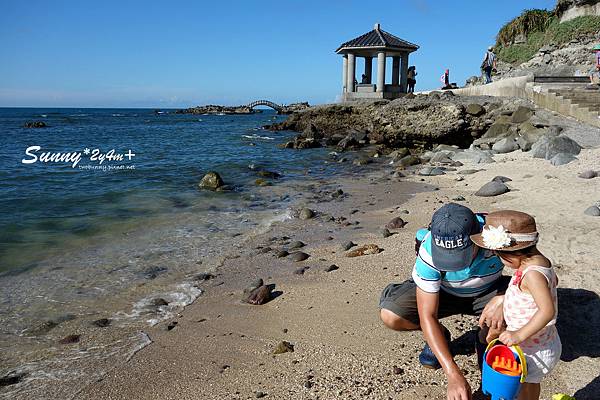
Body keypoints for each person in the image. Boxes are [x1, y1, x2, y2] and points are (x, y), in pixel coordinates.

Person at [379, 203, 507, 400]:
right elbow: (427, 315)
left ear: (477, 239)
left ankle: (483, 340)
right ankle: (440, 336)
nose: (454, 264)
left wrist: (505, 297)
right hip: (444, 293)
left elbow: (543, 272)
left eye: (460, 256)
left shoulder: (498, 235)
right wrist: (452, 373)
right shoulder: (428, 250)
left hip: (488, 292)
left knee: (513, 311)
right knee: (391, 314)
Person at [471, 211, 561, 400]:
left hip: (532, 349)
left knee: (523, 388)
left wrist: (518, 334)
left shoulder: (532, 274)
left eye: (498, 255)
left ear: (510, 254)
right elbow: (555, 281)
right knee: (529, 384)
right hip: (535, 341)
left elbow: (547, 311)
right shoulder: (539, 262)